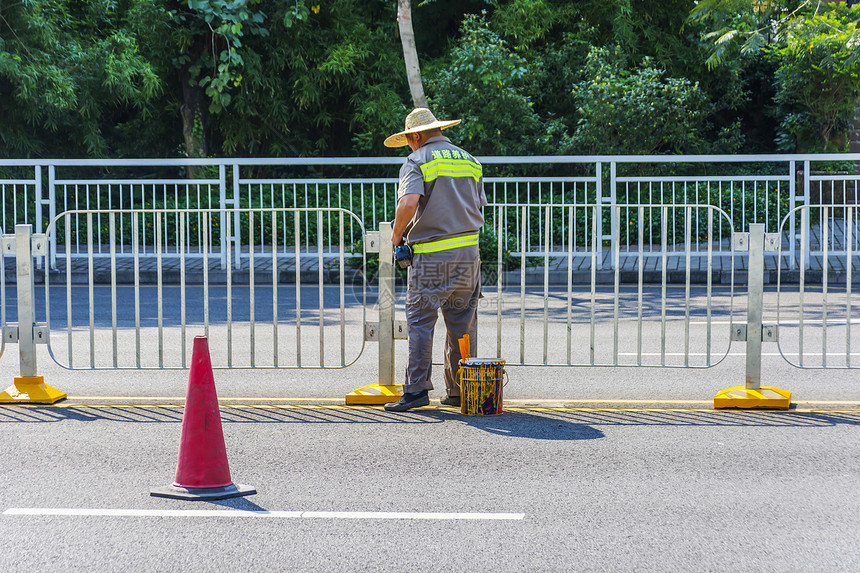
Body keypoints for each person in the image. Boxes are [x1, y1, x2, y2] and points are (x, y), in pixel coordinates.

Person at [382, 108, 488, 412]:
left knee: (420, 320)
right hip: (469, 255)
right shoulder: (470, 160)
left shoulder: (417, 161)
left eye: (409, 141)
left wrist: (396, 235)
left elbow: (409, 202)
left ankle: (416, 390)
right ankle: (460, 390)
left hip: (432, 255)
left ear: (415, 136)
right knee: (461, 324)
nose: (409, 146)